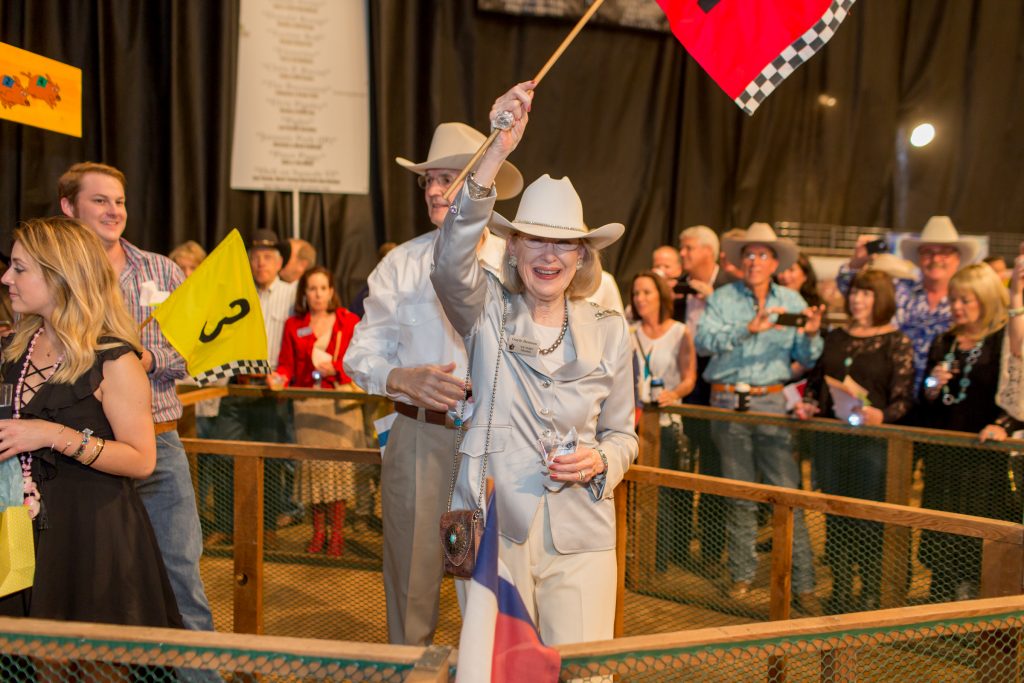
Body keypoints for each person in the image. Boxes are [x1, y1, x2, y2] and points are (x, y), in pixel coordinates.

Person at [430, 81, 637, 645]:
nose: (549, 255)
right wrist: (496, 150)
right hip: (495, 524)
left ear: (582, 256)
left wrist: (602, 460)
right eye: (535, 241)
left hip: (584, 533)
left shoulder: (612, 332)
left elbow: (624, 435)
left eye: (563, 244)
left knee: (585, 671)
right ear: (513, 250)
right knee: (496, 671)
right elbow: (449, 262)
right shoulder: (486, 312)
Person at [344, 121, 523, 646]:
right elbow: (360, 355)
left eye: (452, 178)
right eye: (430, 181)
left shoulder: (519, 262)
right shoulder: (399, 264)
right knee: (412, 582)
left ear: (479, 184)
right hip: (418, 437)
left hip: (501, 442)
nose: (438, 190)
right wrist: (401, 377)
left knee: (499, 581)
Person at [0, 217, 181, 628]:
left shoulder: (114, 359)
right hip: (19, 529)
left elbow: (141, 460)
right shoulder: (15, 348)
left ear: (61, 276)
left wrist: (51, 434)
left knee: (83, 661)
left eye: (20, 268)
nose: (7, 277)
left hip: (91, 535)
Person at [56, 162, 213, 631]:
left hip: (160, 443)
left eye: (119, 201)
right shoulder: (53, 272)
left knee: (181, 574)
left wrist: (148, 362)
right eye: (100, 200)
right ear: (68, 207)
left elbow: (194, 350)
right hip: (79, 450)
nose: (113, 211)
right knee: (93, 580)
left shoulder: (161, 269)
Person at [695, 222, 824, 613]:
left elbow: (806, 356)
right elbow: (703, 341)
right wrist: (746, 329)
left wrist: (813, 334)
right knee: (740, 494)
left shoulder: (794, 301)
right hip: (728, 401)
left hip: (771, 402)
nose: (753, 261)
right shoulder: (722, 299)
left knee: (788, 494)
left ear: (774, 262)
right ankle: (742, 576)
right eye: (748, 254)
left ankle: (803, 584)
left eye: (761, 255)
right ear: (740, 260)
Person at [794, 270, 914, 612]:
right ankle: (842, 587)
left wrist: (883, 416)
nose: (858, 299)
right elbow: (817, 381)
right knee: (835, 515)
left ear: (883, 299)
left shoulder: (896, 341)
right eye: (856, 293)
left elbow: (904, 399)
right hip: (833, 440)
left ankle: (871, 590)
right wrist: (809, 404)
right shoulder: (835, 336)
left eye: (867, 293)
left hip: (873, 443)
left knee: (868, 519)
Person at [916, 264, 1023, 601]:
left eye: (966, 300)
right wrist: (932, 385)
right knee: (941, 527)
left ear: (987, 300)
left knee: (978, 529)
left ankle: (971, 600)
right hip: (944, 452)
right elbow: (925, 398)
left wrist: (1001, 426)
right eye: (953, 299)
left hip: (984, 460)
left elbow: (1017, 396)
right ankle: (941, 594)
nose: (957, 307)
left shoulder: (1002, 341)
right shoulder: (945, 340)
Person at [206, 229, 298, 548]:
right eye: (255, 257)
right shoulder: (235, 294)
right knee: (223, 457)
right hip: (236, 386)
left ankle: (267, 526)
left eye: (268, 257)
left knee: (270, 460)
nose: (261, 263)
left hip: (271, 390)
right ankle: (225, 525)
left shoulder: (292, 294)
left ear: (281, 261)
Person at [270, 267, 363, 557]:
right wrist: (279, 378)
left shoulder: (349, 321)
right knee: (313, 475)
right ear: (304, 293)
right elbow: (286, 364)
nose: (318, 294)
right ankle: (317, 532)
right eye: (312, 288)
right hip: (307, 406)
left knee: (338, 473)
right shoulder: (294, 324)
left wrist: (337, 368)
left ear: (332, 291)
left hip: (340, 407)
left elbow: (361, 362)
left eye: (323, 288)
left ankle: (337, 535)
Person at [838, 217, 978, 392]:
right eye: (928, 252)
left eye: (944, 252)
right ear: (919, 258)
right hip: (893, 391)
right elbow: (853, 293)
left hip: (943, 394)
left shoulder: (967, 301)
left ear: (957, 258)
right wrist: (857, 262)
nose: (935, 259)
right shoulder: (900, 290)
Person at [676, 224, 735, 572]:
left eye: (689, 248)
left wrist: (713, 297)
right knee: (683, 463)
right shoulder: (680, 289)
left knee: (715, 468)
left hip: (718, 389)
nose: (683, 254)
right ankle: (680, 549)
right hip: (686, 386)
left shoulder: (729, 287)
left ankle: (713, 553)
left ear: (708, 252)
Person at [629, 270, 696, 571]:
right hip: (636, 423)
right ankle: (642, 559)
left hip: (667, 422)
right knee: (637, 494)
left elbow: (689, 377)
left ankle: (660, 561)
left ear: (660, 296)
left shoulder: (680, 332)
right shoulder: (629, 333)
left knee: (664, 494)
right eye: (636, 293)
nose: (641, 299)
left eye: (646, 292)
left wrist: (674, 393)